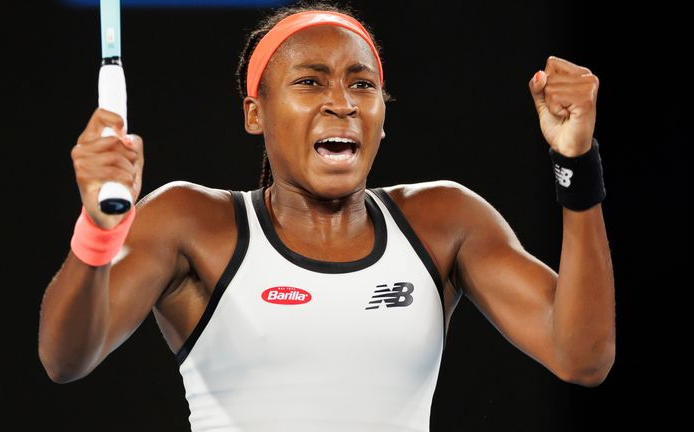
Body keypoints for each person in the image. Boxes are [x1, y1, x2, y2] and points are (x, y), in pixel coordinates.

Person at [38, 3, 615, 431]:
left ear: (382, 119)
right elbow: (66, 359)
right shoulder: (190, 222)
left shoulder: (445, 220)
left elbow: (582, 359)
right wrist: (98, 231)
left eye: (362, 84)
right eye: (310, 81)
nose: (341, 101)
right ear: (254, 113)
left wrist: (576, 163)